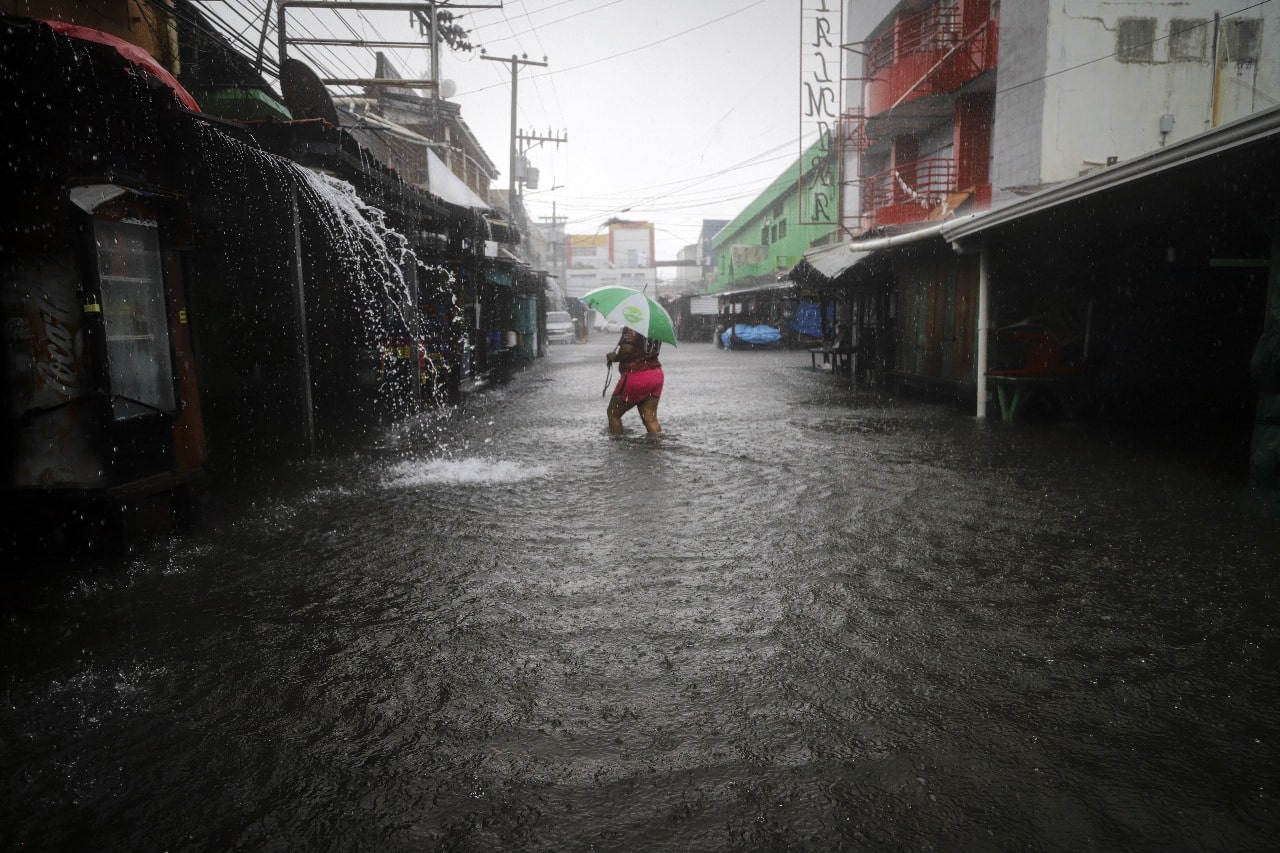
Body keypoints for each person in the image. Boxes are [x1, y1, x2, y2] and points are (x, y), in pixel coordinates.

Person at [605, 326, 663, 435]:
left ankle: (617, 447)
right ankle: (657, 448)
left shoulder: (634, 325)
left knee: (613, 414)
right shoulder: (654, 328)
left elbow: (627, 348)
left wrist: (615, 357)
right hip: (656, 375)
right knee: (650, 418)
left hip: (636, 376)